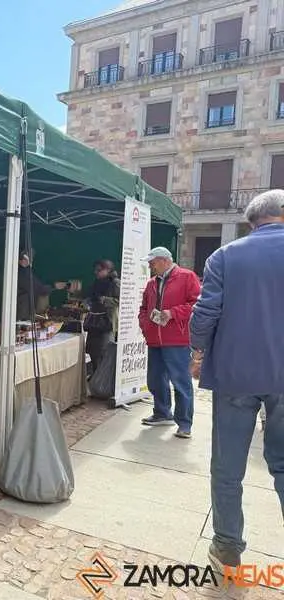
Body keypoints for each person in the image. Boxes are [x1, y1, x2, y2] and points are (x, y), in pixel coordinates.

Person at [189, 190, 284, 575]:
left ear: (251, 222)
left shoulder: (225, 256)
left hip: (235, 373)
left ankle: (227, 546)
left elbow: (205, 313)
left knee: (227, 466)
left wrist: (197, 352)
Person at [137, 246, 201, 438]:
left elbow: (197, 304)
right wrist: (145, 325)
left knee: (180, 382)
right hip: (154, 340)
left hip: (177, 340)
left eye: (153, 262)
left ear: (165, 260)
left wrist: (173, 313)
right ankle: (162, 413)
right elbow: (144, 307)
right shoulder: (151, 283)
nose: (150, 266)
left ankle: (185, 424)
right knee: (155, 380)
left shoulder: (187, 277)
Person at [83, 259, 120, 374]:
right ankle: (95, 376)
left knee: (104, 352)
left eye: (99, 270)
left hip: (107, 323)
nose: (96, 272)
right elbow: (91, 295)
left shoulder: (115, 283)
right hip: (94, 322)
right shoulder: (97, 282)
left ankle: (103, 379)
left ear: (108, 270)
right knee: (93, 351)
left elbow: (121, 300)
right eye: (95, 270)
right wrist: (88, 301)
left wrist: (105, 300)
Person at [16, 251, 67, 320]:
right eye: (28, 257)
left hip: (23, 313)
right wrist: (54, 286)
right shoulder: (22, 273)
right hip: (20, 315)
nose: (31, 260)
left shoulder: (25, 271)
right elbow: (39, 289)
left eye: (31, 257)